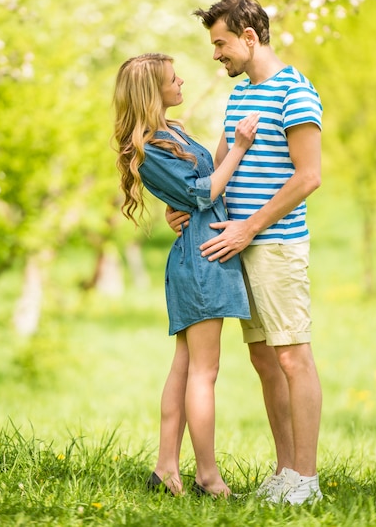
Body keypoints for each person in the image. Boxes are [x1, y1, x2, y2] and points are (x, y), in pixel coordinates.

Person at [167, 0, 323, 505]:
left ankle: (307, 477)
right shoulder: (242, 96)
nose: (216, 55)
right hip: (237, 243)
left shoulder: (295, 92)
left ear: (250, 38)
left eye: (221, 43)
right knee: (263, 359)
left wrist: (248, 229)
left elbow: (308, 177)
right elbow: (219, 168)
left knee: (293, 357)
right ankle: (285, 471)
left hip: (273, 244)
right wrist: (191, 204)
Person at [113, 52, 259, 497]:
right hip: (202, 262)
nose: (181, 81)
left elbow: (196, 189)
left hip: (198, 253)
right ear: (151, 92)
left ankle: (165, 469)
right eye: (172, 78)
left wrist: (187, 204)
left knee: (185, 368)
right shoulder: (151, 145)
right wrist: (238, 146)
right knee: (203, 374)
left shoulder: (168, 133)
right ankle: (207, 476)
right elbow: (207, 189)